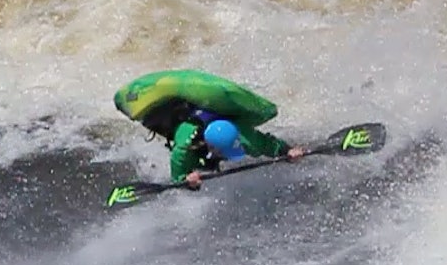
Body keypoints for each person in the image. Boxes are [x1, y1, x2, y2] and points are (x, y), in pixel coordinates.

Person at [113, 69, 306, 190]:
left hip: (211, 134)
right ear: (211, 146)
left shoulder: (240, 133)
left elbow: (266, 143)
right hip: (185, 131)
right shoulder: (185, 143)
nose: (231, 156)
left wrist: (287, 150)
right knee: (198, 163)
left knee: (249, 148)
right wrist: (186, 180)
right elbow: (177, 172)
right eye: (226, 153)